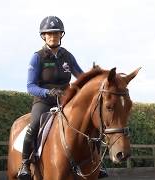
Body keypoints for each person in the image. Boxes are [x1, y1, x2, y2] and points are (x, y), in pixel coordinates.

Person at [17, 16, 107, 180]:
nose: (53, 37)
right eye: (49, 34)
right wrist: (47, 92)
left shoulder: (67, 56)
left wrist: (93, 77)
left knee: (91, 124)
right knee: (34, 125)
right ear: (43, 36)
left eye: (56, 34)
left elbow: (81, 78)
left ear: (61, 35)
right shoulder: (37, 57)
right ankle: (24, 164)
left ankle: (97, 164)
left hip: (66, 100)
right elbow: (30, 86)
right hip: (44, 100)